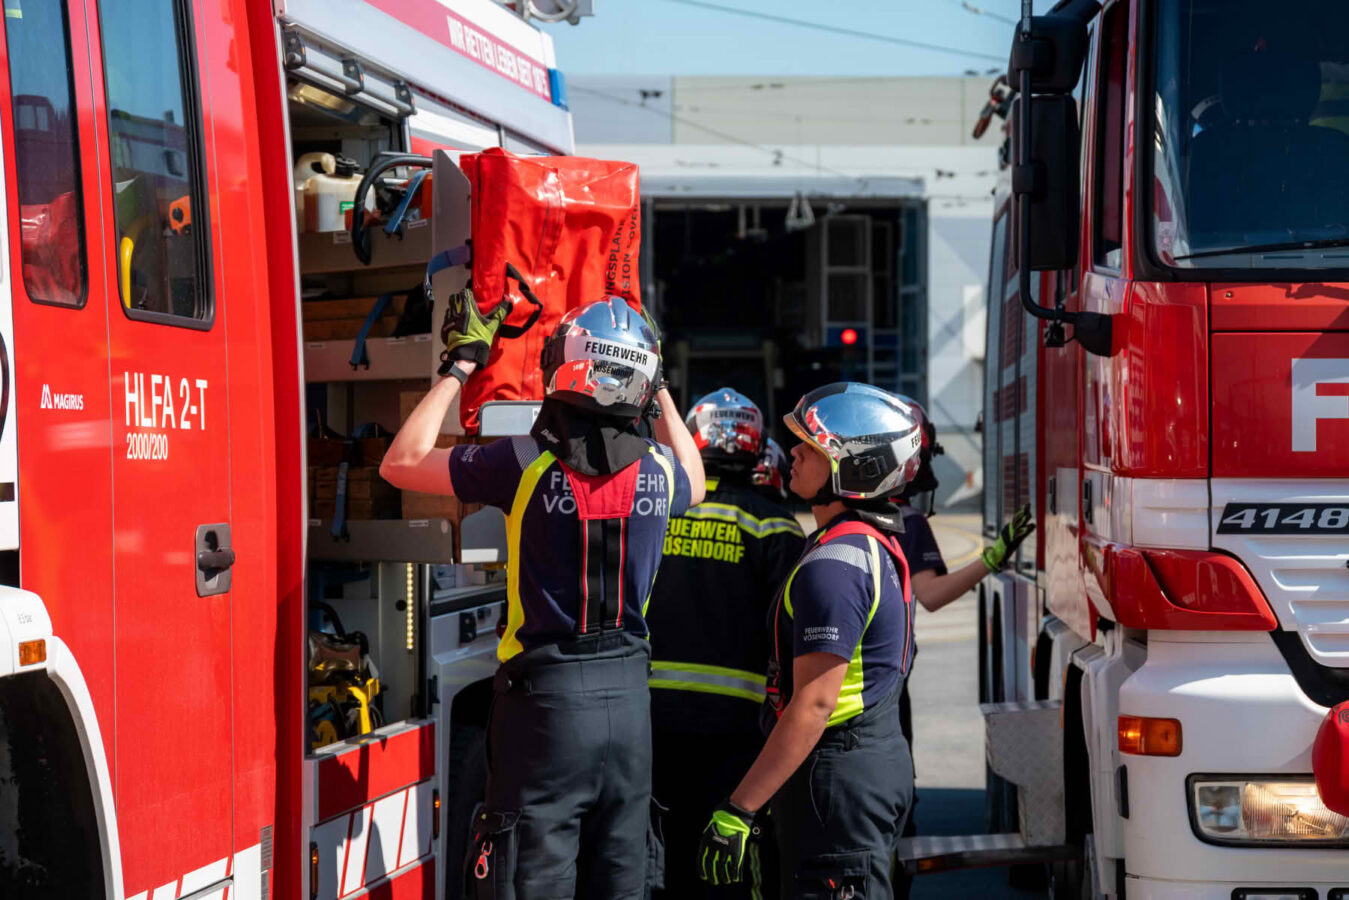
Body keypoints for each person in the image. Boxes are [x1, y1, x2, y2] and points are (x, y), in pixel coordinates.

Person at [381, 291, 705, 899]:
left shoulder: (523, 460)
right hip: (632, 709)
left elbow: (402, 461)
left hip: (547, 709)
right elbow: (699, 474)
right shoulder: (663, 472)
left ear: (564, 365)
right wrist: (658, 385)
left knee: (531, 880)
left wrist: (461, 363)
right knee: (622, 881)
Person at [697, 382, 923, 899]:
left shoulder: (834, 566)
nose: (793, 451)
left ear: (856, 468)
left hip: (837, 780)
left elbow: (816, 701)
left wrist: (740, 808)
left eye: (813, 447)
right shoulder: (864, 544)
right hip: (856, 770)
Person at [646, 388, 805, 900]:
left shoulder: (656, 507)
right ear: (757, 447)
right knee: (727, 865)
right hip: (739, 731)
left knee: (660, 860)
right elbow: (793, 635)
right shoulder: (775, 525)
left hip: (651, 723)